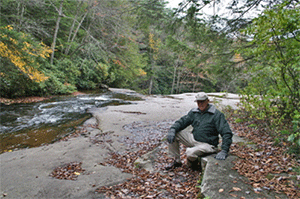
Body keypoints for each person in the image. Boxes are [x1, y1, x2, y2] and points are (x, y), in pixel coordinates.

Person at [166, 92, 233, 171]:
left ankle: (193, 163)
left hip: (208, 144)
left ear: (207, 101)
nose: (200, 104)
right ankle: (176, 161)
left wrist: (224, 150)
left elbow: (226, 132)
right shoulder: (194, 112)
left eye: (202, 101)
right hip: (194, 139)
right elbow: (182, 122)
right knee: (174, 133)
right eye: (198, 102)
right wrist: (172, 129)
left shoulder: (217, 115)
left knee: (190, 153)